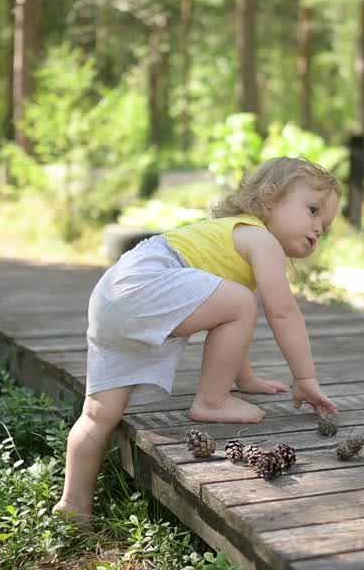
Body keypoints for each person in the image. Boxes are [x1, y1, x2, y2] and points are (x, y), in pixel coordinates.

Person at [52, 156, 343, 522]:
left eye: (326, 227)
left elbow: (228, 318)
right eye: (313, 210)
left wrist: (246, 378)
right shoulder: (258, 237)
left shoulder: (230, 236)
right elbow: (283, 312)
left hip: (112, 295)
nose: (319, 228)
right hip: (147, 280)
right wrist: (304, 379)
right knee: (241, 301)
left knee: (97, 415)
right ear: (270, 197)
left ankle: (73, 505)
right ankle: (212, 400)